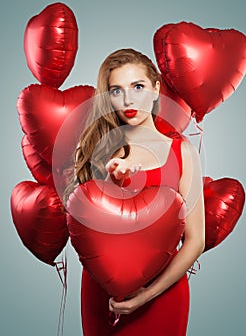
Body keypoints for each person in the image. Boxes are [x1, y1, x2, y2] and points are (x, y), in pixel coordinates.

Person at [66, 48, 205, 335]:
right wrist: (114, 186)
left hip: (163, 293)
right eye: (116, 91)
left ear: (155, 90)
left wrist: (146, 295)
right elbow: (85, 231)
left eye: (138, 87)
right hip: (103, 292)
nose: (128, 100)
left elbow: (195, 240)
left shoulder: (182, 153)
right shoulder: (94, 149)